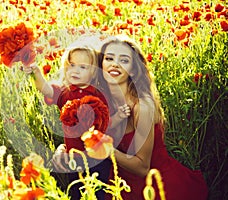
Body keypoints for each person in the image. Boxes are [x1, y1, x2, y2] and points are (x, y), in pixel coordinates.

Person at [96, 34, 208, 200]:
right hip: (121, 183)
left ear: (133, 69)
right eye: (109, 58)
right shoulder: (105, 101)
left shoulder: (142, 106)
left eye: (124, 60)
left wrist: (107, 150)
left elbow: (143, 167)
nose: (115, 64)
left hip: (156, 186)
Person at [23, 40, 130, 200]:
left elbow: (106, 125)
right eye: (71, 65)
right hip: (74, 158)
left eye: (82, 67)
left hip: (97, 157)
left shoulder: (99, 94)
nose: (75, 71)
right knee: (77, 192)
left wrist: (119, 117)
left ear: (93, 72)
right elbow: (45, 88)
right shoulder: (64, 92)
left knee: (98, 192)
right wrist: (36, 72)